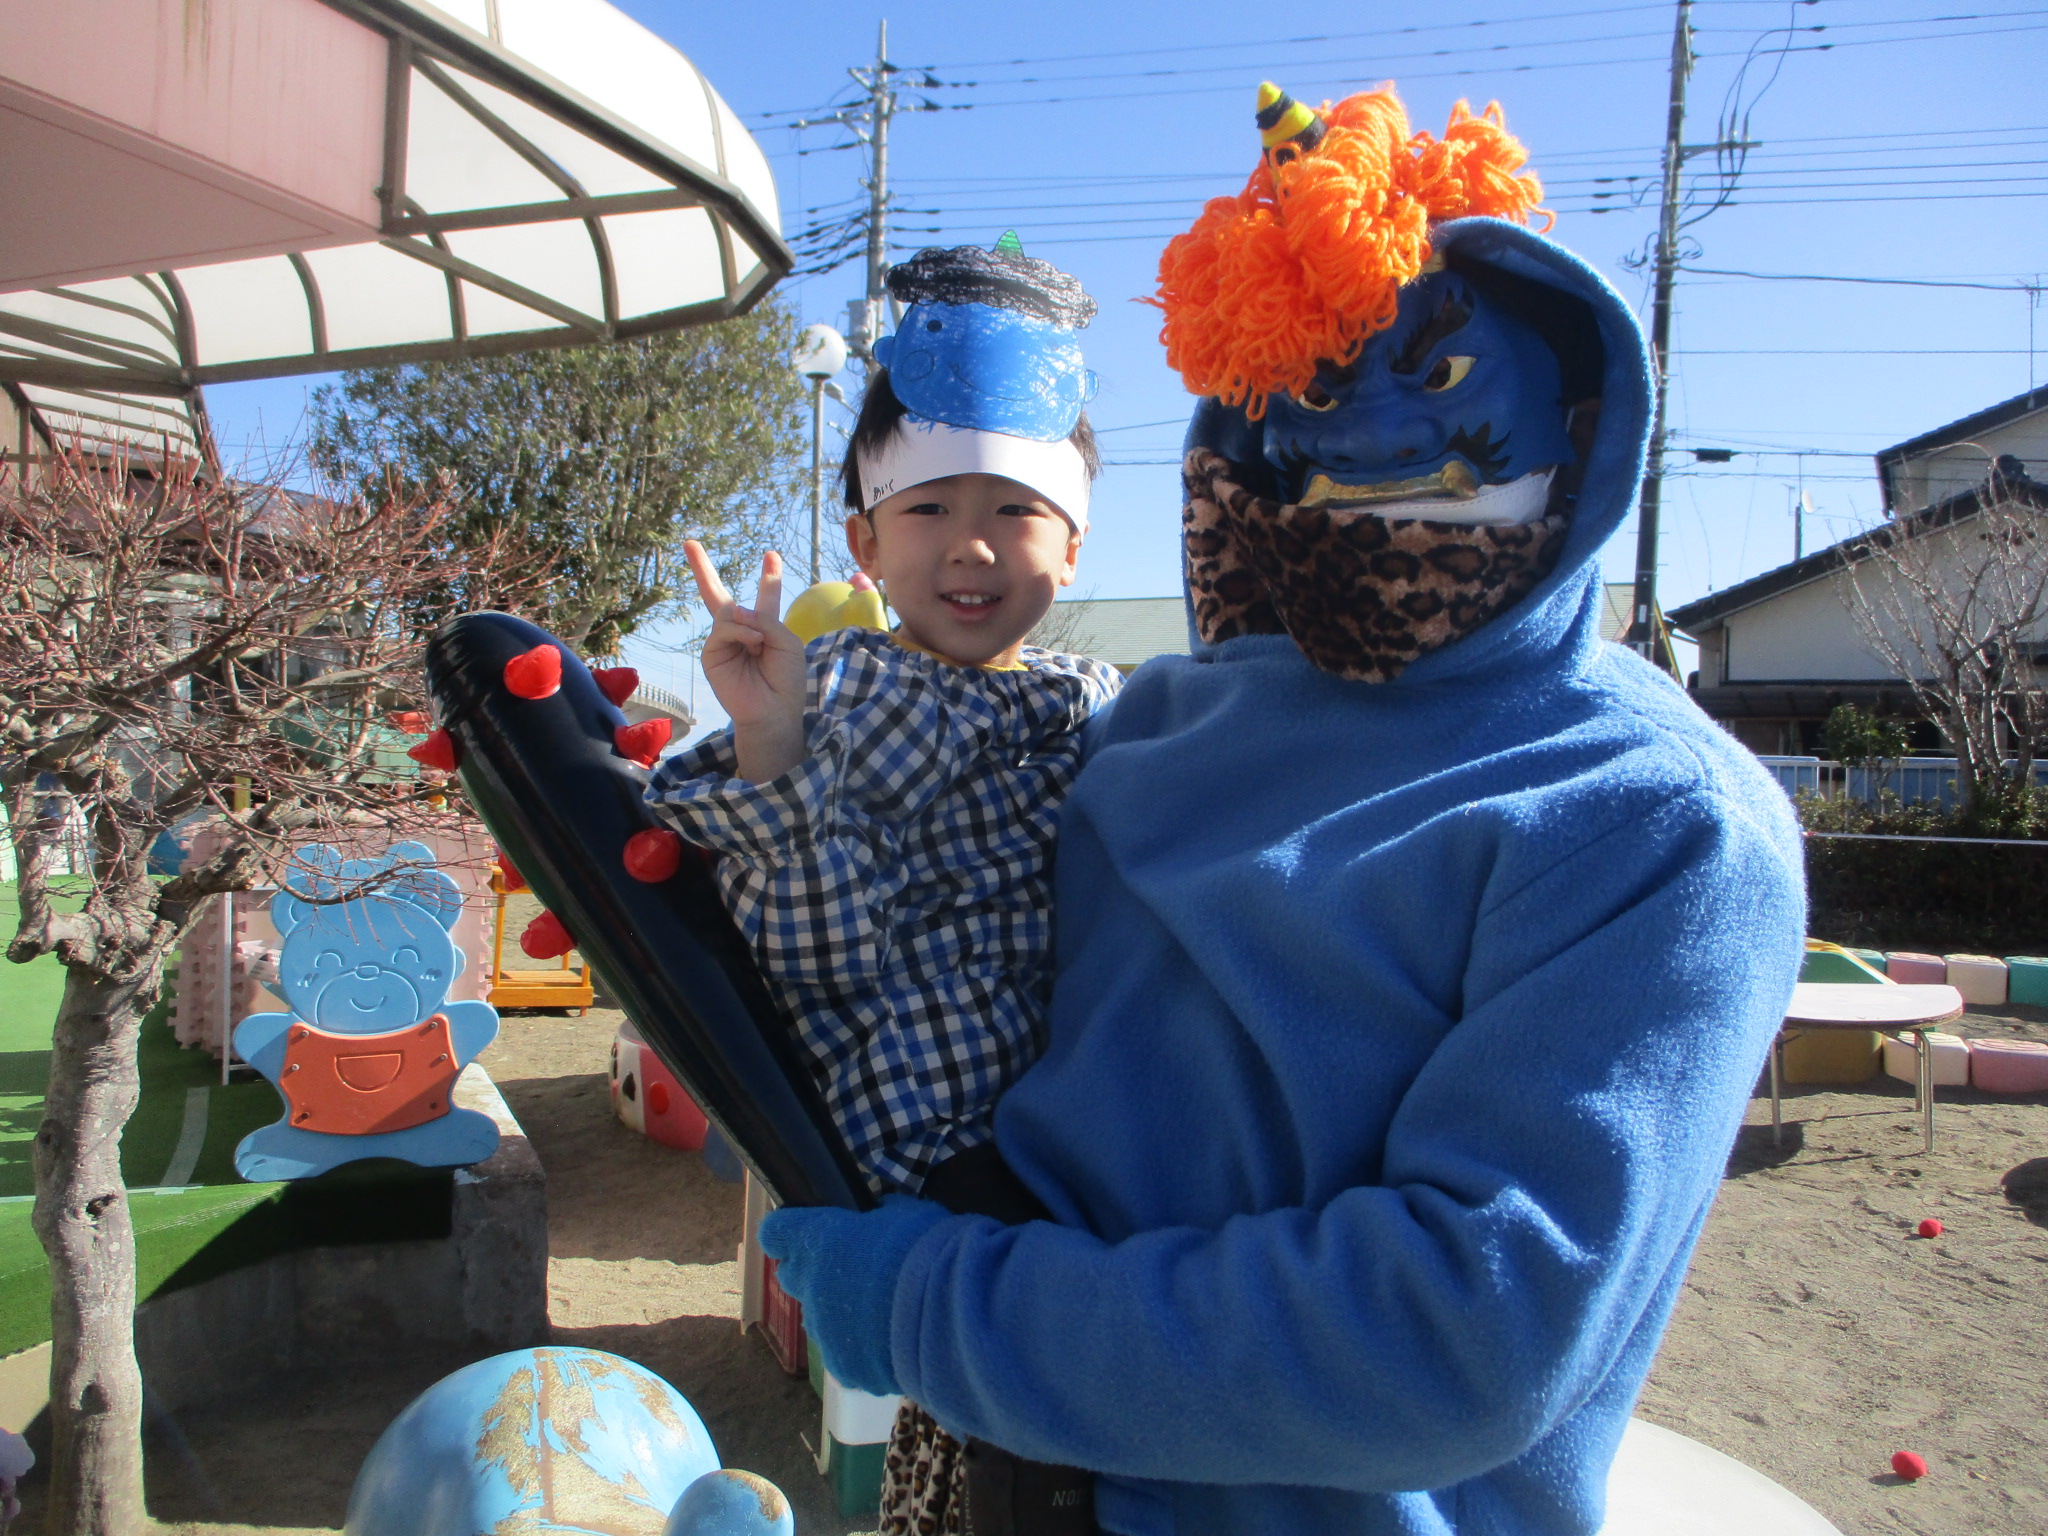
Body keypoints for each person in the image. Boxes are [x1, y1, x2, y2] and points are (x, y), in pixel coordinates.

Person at [760, 86, 1806, 1536]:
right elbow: (934, 945)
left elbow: (1458, 1334)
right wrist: (756, 793)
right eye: (1313, 390)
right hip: (990, 1473)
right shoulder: (1149, 722)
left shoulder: (1648, 819)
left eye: (1438, 375)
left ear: (1578, 419)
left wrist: (942, 1308)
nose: (1372, 427)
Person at [647, 240, 1121, 1202]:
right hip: (928, 1146)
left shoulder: (1102, 701)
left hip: (1083, 1120)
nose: (972, 545)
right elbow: (818, 962)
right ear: (864, 542)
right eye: (929, 508)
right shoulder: (852, 692)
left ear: (1072, 548)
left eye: (1017, 511)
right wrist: (771, 741)